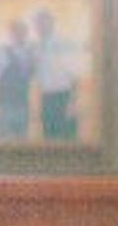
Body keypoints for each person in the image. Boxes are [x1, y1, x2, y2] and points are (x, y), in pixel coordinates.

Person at [34, 8, 85, 142]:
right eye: (38, 23)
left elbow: (75, 75)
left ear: (52, 23)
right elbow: (39, 77)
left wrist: (72, 103)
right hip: (46, 99)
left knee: (68, 140)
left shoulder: (64, 43)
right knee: (49, 140)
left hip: (64, 97)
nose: (40, 26)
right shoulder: (37, 47)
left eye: (44, 22)